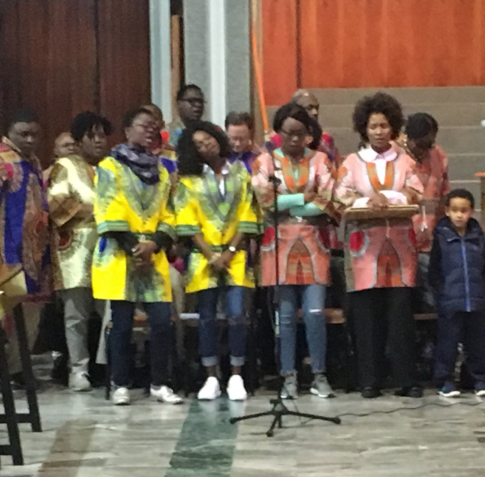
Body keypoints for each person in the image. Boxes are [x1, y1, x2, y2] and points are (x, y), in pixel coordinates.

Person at [336, 92, 424, 399]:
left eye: (384, 126)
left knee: (400, 316)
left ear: (393, 127)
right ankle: (369, 380)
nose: (378, 132)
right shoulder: (352, 162)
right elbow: (341, 195)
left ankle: (406, 379)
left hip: (400, 248)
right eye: (373, 126)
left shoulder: (406, 161)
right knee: (366, 317)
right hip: (364, 250)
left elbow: (416, 193)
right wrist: (366, 201)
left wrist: (389, 198)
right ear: (364, 128)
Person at [93, 107, 182, 406]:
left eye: (154, 127)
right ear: (128, 130)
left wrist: (154, 244)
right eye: (144, 125)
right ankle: (120, 383)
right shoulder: (109, 166)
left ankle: (160, 382)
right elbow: (109, 209)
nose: (150, 131)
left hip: (153, 254)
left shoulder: (162, 170)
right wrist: (136, 247)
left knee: (162, 321)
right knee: (121, 323)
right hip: (122, 253)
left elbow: (169, 212)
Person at [251, 103, 338, 400]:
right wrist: (303, 197)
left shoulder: (321, 160)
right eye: (288, 133)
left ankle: (319, 374)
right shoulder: (265, 162)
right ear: (279, 133)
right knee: (285, 315)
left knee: (314, 312)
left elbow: (326, 201)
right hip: (278, 245)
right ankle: (288, 375)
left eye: (301, 133)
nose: (295, 139)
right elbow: (265, 202)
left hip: (314, 242)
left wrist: (289, 203)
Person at [175, 122, 259, 402]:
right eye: (198, 144)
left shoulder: (240, 172)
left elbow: (247, 214)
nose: (206, 145)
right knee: (207, 317)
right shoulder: (189, 181)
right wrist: (211, 255)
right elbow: (188, 221)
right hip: (204, 257)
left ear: (218, 138)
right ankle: (211, 376)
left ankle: (236, 374)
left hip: (235, 255)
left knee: (236, 314)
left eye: (208, 139)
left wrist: (230, 250)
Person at [0, 108, 52, 390]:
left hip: (32, 250)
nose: (30, 140)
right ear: (8, 132)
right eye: (23, 134)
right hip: (0, 249)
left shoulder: (32, 162)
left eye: (34, 134)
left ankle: (18, 367)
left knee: (30, 311)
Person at [47, 111, 111, 392]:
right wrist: (102, 212)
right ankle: (78, 370)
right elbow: (58, 205)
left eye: (102, 136)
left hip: (108, 249)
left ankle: (109, 367)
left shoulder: (112, 167)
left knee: (111, 312)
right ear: (79, 140)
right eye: (91, 136)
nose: (98, 141)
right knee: (76, 316)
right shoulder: (65, 166)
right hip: (75, 251)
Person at [429, 189, 485, 398]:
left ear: (471, 212)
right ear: (447, 211)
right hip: (450, 299)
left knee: (476, 343)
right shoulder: (441, 236)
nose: (459, 215)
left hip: (475, 298)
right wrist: (441, 293)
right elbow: (434, 269)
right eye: (455, 210)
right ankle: (445, 381)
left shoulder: (477, 236)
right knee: (448, 342)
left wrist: (483, 288)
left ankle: (480, 380)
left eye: (464, 211)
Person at [405, 112, 450, 310]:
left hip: (430, 242)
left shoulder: (438, 155)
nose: (426, 151)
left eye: (430, 144)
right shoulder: (395, 158)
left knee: (434, 301)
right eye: (421, 145)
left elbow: (444, 195)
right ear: (409, 138)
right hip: (402, 243)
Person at [267, 89, 340, 166]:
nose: (315, 112)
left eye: (316, 108)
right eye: (309, 108)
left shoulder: (325, 138)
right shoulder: (275, 138)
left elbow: (334, 165)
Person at [166, 84, 205, 152]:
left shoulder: (210, 132)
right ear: (179, 103)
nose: (198, 105)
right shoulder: (167, 133)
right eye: (191, 101)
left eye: (200, 101)